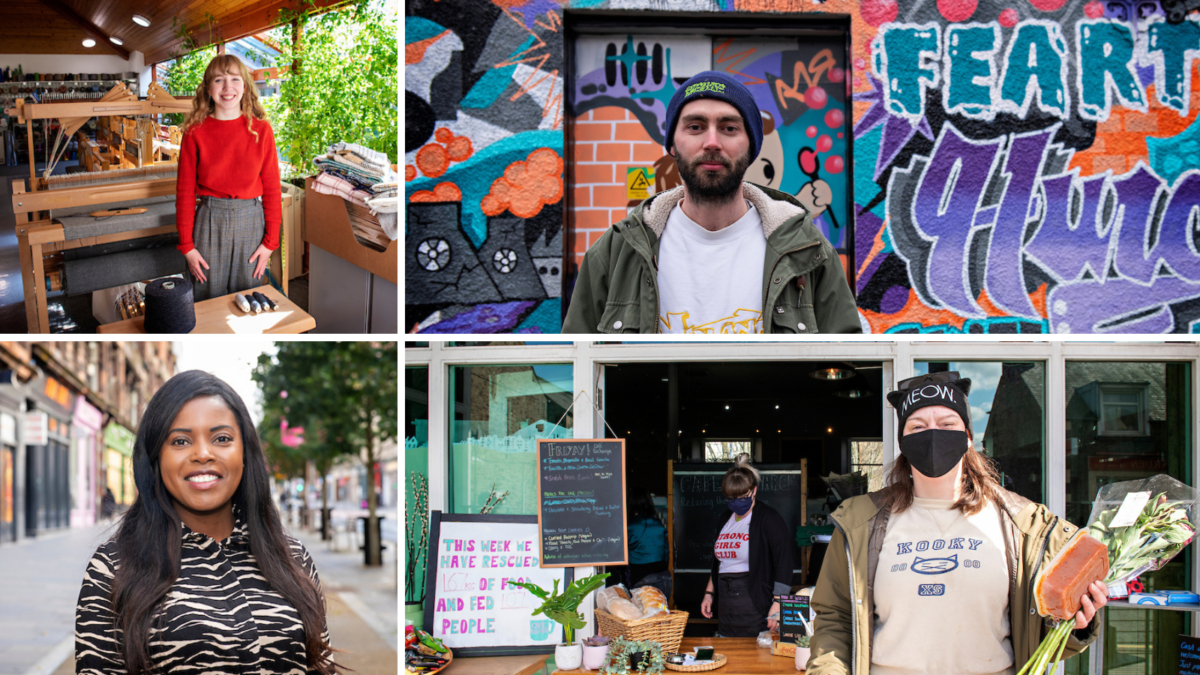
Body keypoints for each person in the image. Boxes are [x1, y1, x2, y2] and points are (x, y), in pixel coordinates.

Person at [807, 372, 1106, 675]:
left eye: (947, 424)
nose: (932, 434)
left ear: (967, 437)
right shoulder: (861, 523)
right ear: (903, 441)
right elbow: (835, 618)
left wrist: (1074, 625)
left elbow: (1042, 632)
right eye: (918, 426)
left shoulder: (1023, 525)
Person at [75, 371, 337, 674]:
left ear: (244, 453)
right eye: (181, 441)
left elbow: (322, 665)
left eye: (221, 438)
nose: (202, 454)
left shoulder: (293, 557)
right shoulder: (113, 567)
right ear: (156, 457)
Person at [563, 70, 860, 334]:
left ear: (751, 147)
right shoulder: (617, 251)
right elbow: (577, 377)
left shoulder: (806, 248)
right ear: (671, 144)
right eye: (695, 127)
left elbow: (849, 367)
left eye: (729, 128)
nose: (712, 142)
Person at [175, 54, 282, 301]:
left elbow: (273, 190)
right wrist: (187, 247)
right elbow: (184, 193)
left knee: (248, 298)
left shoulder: (261, 130)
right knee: (205, 298)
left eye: (235, 79)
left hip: (252, 223)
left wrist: (269, 244)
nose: (227, 87)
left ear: (244, 86)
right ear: (208, 88)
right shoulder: (194, 132)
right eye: (219, 80)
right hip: (210, 221)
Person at [699, 456, 794, 637]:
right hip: (726, 604)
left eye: (742, 497)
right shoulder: (724, 519)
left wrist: (778, 602)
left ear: (754, 491)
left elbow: (784, 562)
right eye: (731, 498)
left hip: (756, 601)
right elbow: (719, 562)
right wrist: (709, 593)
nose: (736, 502)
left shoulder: (769, 519)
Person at [626, 486, 669, 594]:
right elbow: (666, 553)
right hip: (665, 578)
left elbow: (620, 556)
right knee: (661, 609)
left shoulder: (630, 526)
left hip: (642, 579)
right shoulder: (658, 523)